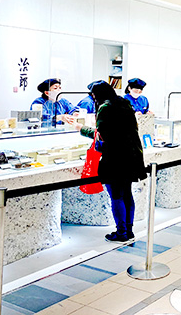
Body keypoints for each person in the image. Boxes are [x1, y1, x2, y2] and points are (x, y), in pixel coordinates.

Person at [70, 81, 147, 242]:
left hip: (115, 157)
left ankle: (121, 232)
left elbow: (102, 135)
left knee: (116, 195)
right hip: (132, 155)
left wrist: (80, 128)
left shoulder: (105, 107)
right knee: (127, 194)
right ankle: (129, 230)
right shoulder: (124, 103)